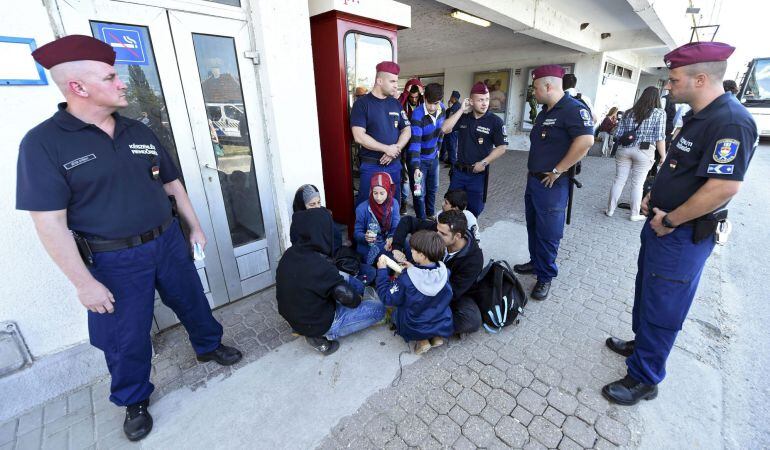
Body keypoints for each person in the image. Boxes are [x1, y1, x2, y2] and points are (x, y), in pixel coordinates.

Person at [16, 35, 242, 442]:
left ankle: (208, 345)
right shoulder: (43, 144)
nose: (122, 83)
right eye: (111, 76)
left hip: (168, 242)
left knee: (192, 300)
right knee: (125, 335)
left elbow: (172, 184)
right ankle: (134, 399)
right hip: (112, 261)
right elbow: (49, 223)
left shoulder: (139, 129)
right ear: (78, 88)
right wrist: (84, 284)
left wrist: (194, 226)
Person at [602, 42, 757, 405]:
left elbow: (724, 186)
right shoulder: (699, 116)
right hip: (662, 225)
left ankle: (645, 378)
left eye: (673, 80)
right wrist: (652, 195)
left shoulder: (729, 121)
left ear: (700, 78)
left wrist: (670, 218)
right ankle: (642, 346)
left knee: (664, 305)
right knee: (648, 293)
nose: (667, 87)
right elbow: (679, 167)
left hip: (681, 233)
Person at [513, 65, 594, 300]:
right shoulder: (545, 112)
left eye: (536, 88)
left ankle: (545, 276)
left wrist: (559, 170)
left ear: (548, 86)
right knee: (533, 226)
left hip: (552, 183)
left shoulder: (572, 109)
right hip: (535, 180)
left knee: (549, 232)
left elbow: (586, 141)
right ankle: (536, 262)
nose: (534, 93)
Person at [277, 208, 385, 356]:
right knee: (379, 309)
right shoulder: (320, 267)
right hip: (319, 323)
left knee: (340, 276)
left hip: (294, 316)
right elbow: (350, 300)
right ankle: (320, 336)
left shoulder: (289, 254)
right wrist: (359, 300)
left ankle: (306, 328)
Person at [391, 210, 484, 335]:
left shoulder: (474, 259)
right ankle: (428, 326)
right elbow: (407, 221)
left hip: (449, 292)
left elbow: (453, 292)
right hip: (425, 275)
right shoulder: (439, 231)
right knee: (410, 241)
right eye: (437, 229)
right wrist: (396, 247)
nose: (436, 234)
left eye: (443, 234)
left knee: (472, 320)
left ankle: (425, 325)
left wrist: (419, 284)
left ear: (457, 236)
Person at [375, 230, 453, 354]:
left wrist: (382, 271)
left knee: (393, 310)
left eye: (412, 250)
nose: (410, 251)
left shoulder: (406, 279)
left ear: (422, 255)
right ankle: (436, 337)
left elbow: (386, 297)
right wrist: (414, 268)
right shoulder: (444, 272)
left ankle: (422, 340)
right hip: (440, 320)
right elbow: (426, 276)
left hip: (415, 325)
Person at [441, 82, 508, 217]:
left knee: (473, 211)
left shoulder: (495, 122)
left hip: (478, 175)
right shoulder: (464, 118)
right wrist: (460, 110)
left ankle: (470, 236)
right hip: (459, 173)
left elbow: (502, 147)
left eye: (487, 99)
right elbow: (444, 129)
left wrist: (484, 162)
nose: (485, 103)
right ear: (471, 101)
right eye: (481, 100)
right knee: (449, 207)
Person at [350, 61, 411, 206]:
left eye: (397, 81)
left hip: (394, 164)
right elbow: (358, 136)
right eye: (392, 81)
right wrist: (386, 149)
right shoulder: (362, 104)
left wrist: (395, 149)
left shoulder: (395, 103)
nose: (396, 85)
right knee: (366, 207)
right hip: (372, 166)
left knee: (393, 205)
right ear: (379, 80)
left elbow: (407, 130)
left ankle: (392, 230)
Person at [605, 87, 667, 220]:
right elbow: (660, 137)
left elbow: (617, 133)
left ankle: (610, 210)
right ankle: (634, 214)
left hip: (624, 149)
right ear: (657, 98)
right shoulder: (659, 113)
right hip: (645, 151)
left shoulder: (629, 112)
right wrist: (663, 155)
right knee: (638, 184)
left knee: (619, 180)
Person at [407, 83, 445, 219]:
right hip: (419, 160)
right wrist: (416, 167)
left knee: (433, 188)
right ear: (424, 98)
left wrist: (439, 150)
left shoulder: (443, 110)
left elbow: (442, 132)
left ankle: (430, 214)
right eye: (430, 103)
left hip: (433, 157)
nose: (433, 107)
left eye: (436, 103)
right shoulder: (417, 115)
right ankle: (421, 221)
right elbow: (415, 143)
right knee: (419, 193)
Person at [354, 172, 400, 276]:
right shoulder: (362, 208)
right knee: (388, 260)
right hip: (369, 245)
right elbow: (356, 233)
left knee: (407, 245)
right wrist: (364, 237)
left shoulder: (394, 204)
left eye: (382, 193)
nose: (378, 197)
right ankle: (382, 280)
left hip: (387, 241)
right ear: (371, 191)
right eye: (375, 193)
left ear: (388, 191)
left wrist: (392, 237)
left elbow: (396, 226)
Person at [439, 90, 461, 167]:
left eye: (451, 97)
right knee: (449, 145)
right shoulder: (458, 105)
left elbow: (450, 117)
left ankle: (453, 163)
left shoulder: (455, 106)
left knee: (452, 146)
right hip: (453, 130)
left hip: (452, 130)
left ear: (453, 98)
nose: (450, 98)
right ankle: (450, 160)